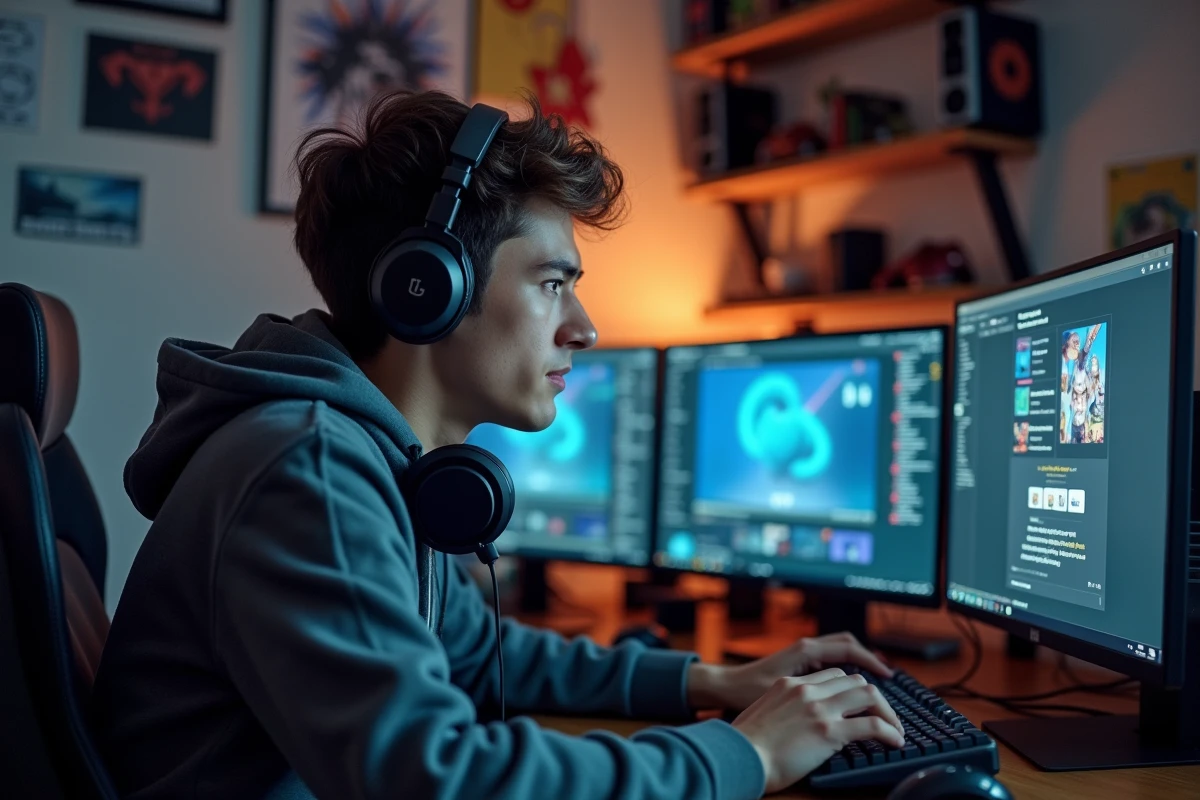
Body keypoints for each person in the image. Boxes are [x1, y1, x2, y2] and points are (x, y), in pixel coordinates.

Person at [92, 90, 903, 800]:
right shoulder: (308, 471)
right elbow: (440, 778)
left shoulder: (371, 456)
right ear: (428, 288)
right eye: (554, 284)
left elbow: (474, 656)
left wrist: (712, 680)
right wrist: (747, 753)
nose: (584, 329)